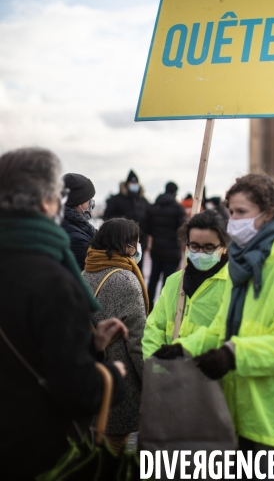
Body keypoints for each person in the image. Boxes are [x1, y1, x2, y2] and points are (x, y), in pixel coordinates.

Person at [154, 173, 274, 481]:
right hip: (240, 412)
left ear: (270, 214)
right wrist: (185, 346)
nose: (232, 220)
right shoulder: (244, 265)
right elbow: (219, 328)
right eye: (231, 211)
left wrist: (233, 354)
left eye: (241, 212)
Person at [0, 147, 126, 481]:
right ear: (46, 203)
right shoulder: (52, 280)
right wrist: (111, 375)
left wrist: (89, 343)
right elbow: (78, 391)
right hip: (36, 452)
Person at [83, 218, 148, 454]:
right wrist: (151, 382)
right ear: (127, 245)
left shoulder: (86, 270)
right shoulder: (126, 280)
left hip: (90, 373)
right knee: (114, 448)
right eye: (136, 242)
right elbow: (137, 340)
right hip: (120, 379)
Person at [142, 209, 230, 359]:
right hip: (170, 374)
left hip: (210, 376)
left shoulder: (233, 284)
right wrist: (158, 366)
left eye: (209, 247)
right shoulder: (175, 281)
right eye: (194, 246)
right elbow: (154, 328)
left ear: (224, 247)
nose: (200, 253)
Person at [142, 181, 186, 311]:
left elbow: (144, 226)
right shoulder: (178, 209)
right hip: (172, 251)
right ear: (175, 192)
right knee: (168, 282)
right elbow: (183, 229)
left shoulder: (153, 208)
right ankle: (163, 309)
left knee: (153, 280)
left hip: (156, 249)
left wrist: (156, 234)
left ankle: (148, 308)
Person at [104, 170, 149, 271]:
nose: (134, 185)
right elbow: (107, 217)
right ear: (127, 184)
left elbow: (149, 219)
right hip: (121, 241)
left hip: (140, 241)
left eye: (135, 183)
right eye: (132, 183)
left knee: (138, 269)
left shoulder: (143, 201)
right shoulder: (116, 200)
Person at [61, 172, 96, 270]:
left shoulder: (74, 225)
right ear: (77, 202)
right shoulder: (76, 239)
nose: (92, 204)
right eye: (89, 199)